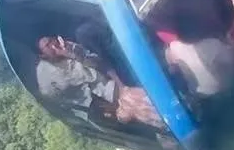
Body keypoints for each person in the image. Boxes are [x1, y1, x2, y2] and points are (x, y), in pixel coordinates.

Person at [33, 34, 165, 130]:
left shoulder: (71, 48)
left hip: (109, 87)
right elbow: (54, 100)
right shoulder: (44, 75)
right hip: (92, 109)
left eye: (51, 40)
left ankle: (164, 121)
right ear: (42, 55)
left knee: (139, 99)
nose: (53, 45)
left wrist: (71, 54)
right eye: (47, 46)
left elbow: (100, 63)